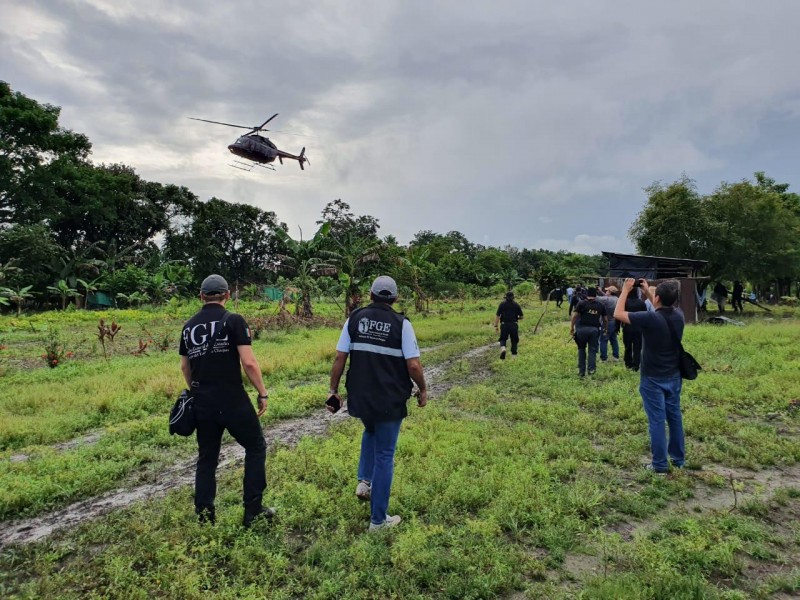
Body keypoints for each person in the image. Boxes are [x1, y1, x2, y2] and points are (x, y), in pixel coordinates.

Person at [328, 276, 428, 531]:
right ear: (394, 299)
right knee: (385, 454)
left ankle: (365, 481)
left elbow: (340, 357)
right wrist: (423, 388)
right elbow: (413, 365)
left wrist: (333, 390)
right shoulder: (402, 324)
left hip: (360, 395)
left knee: (370, 429)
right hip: (390, 398)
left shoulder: (355, 318)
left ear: (370, 295)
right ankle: (378, 521)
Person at [179, 274, 273, 527]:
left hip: (203, 402)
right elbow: (249, 362)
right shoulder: (233, 320)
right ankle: (253, 510)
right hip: (232, 399)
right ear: (227, 295)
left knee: (207, 459)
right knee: (255, 447)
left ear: (201, 296)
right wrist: (262, 392)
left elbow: (185, 368)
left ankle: (205, 517)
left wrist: (197, 392)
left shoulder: (188, 327)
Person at [615, 278, 685, 474]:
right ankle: (678, 460)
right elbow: (661, 309)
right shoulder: (679, 315)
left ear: (658, 298)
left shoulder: (650, 318)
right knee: (674, 417)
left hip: (653, 378)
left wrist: (625, 290)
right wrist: (648, 292)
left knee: (656, 420)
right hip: (673, 375)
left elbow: (618, 313)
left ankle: (660, 464)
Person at [569, 287, 607, 377]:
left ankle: (581, 372)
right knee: (592, 350)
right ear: (596, 295)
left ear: (587, 294)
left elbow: (575, 316)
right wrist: (605, 329)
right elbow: (605, 319)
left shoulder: (581, 303)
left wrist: (572, 328)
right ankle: (591, 370)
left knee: (581, 349)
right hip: (594, 330)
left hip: (581, 330)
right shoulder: (600, 305)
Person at [621, 288, 648, 371]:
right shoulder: (641, 303)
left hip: (627, 327)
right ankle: (636, 365)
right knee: (637, 347)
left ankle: (628, 363)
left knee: (627, 346)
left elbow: (619, 314)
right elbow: (645, 316)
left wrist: (617, 326)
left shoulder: (625, 302)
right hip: (638, 328)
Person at [494, 291, 524, 359]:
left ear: (506, 297)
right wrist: (517, 318)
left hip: (504, 324)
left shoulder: (502, 304)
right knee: (514, 340)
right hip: (514, 324)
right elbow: (522, 316)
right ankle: (514, 357)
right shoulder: (516, 305)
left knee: (503, 339)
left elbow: (498, 315)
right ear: (513, 297)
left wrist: (496, 325)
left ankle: (503, 349)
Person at [598, 286, 620, 362]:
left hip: (606, 322)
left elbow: (596, 298)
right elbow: (606, 296)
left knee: (603, 340)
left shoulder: (606, 299)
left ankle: (604, 358)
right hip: (615, 322)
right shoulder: (618, 299)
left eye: (607, 291)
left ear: (610, 292)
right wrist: (601, 291)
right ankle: (616, 356)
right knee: (614, 339)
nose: (606, 292)